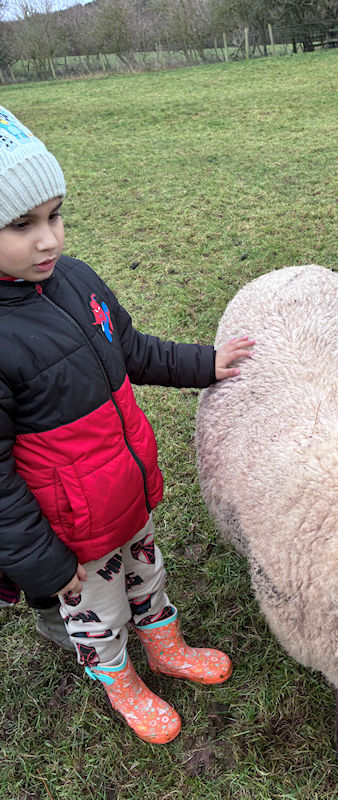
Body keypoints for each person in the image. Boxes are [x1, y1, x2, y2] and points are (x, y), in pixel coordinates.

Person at [0, 106, 254, 743]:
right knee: (98, 611)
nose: (48, 240)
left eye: (55, 216)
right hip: (70, 533)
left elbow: (132, 349)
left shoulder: (74, 279)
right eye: (22, 225)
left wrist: (205, 363)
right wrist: (44, 563)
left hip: (123, 495)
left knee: (147, 574)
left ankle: (166, 648)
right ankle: (122, 683)